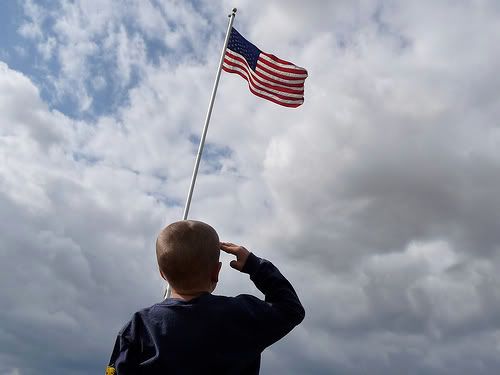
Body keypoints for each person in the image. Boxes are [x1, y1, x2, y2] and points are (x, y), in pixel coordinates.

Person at [106, 220, 304, 374]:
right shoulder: (241, 315)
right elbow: (290, 308)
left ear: (162, 274)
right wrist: (255, 266)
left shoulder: (139, 326)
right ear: (216, 272)